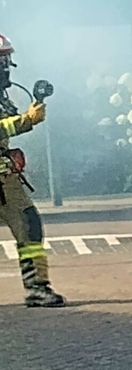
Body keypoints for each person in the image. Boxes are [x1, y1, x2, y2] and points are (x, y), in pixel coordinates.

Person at [0, 34, 65, 307]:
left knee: (29, 225)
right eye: (2, 60)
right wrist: (26, 120)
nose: (6, 67)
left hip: (4, 180)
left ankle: (37, 287)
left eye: (6, 60)